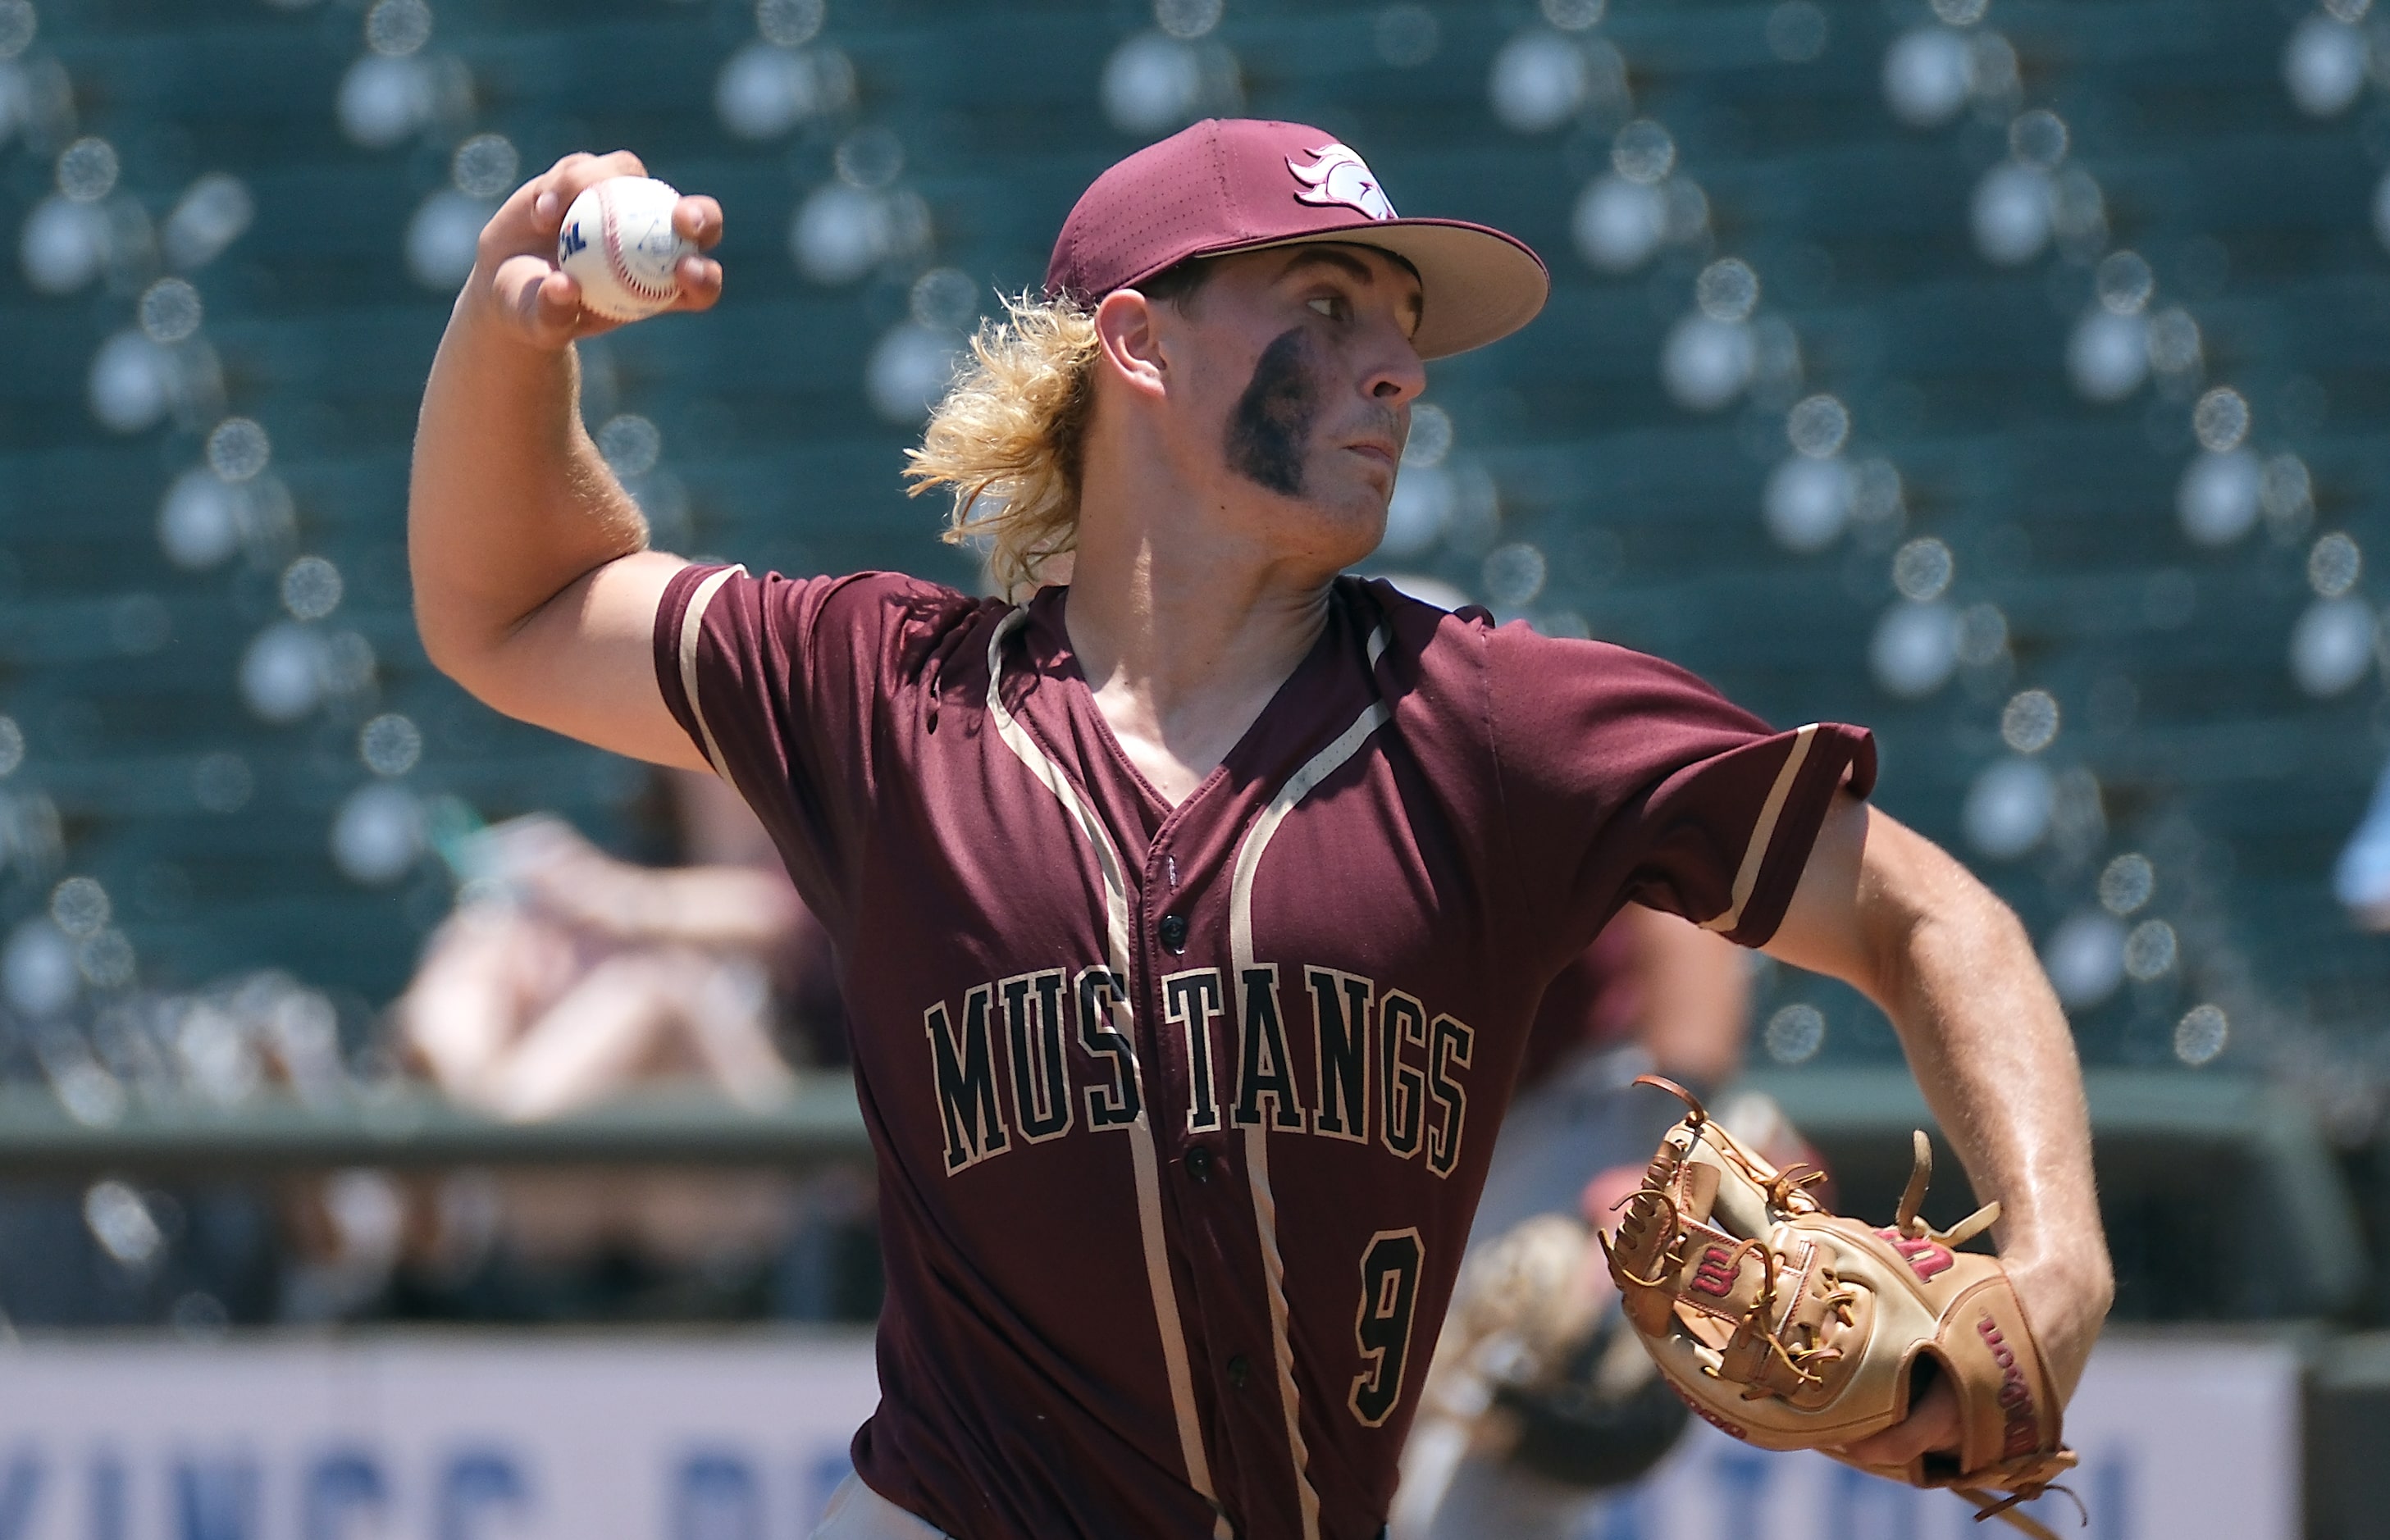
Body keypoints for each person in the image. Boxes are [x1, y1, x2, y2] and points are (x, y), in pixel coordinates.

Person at [408, 120, 2111, 1540]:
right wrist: (510, 337)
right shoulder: (885, 695)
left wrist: (2052, 1254)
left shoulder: (1494, 720)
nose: (1397, 368)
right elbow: (513, 602)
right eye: (1328, 303)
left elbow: (1926, 916)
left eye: (1404, 327)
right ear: (1137, 344)